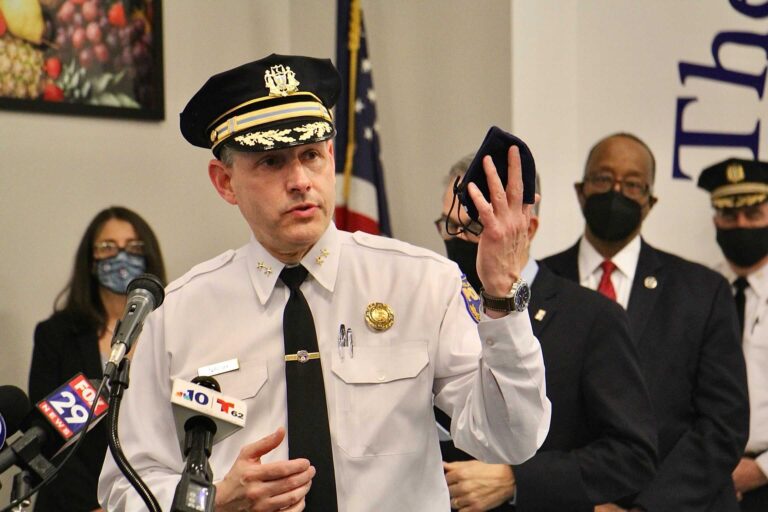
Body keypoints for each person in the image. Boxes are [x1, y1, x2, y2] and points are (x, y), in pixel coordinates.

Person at [97, 54, 551, 512]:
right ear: (225, 182)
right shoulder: (178, 315)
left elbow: (511, 438)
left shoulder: (421, 283)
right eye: (271, 161)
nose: (299, 181)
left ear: (330, 157)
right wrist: (208, 501)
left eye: (311, 155)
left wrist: (501, 299)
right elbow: (124, 487)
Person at [542, 133, 750, 511]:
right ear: (580, 191)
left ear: (650, 202)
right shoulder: (537, 285)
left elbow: (722, 426)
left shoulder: (702, 292)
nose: (616, 191)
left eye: (633, 184)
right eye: (603, 179)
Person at [436, 155, 656, 511]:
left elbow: (632, 455)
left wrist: (516, 480)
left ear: (529, 229)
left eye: (475, 228)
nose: (459, 239)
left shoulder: (591, 318)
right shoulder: (434, 308)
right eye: (450, 226)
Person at [29, 206, 166, 512]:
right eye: (108, 247)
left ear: (148, 257)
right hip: (70, 503)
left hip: (151, 500)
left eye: (133, 247)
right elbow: (47, 436)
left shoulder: (173, 332)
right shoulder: (57, 335)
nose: (121, 256)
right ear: (90, 261)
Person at [698, 158, 768, 512]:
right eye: (729, 215)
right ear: (715, 221)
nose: (741, 225)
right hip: (702, 481)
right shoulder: (695, 293)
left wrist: (761, 469)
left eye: (753, 214)